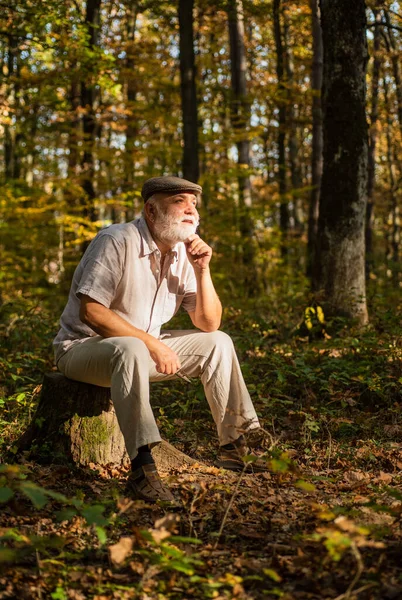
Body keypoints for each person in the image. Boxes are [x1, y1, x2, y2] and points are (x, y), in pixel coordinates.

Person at [53, 176, 267, 503]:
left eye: (194, 203)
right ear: (151, 210)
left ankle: (236, 447)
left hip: (139, 351)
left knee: (219, 343)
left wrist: (202, 269)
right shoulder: (117, 240)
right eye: (180, 201)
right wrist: (152, 344)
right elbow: (92, 313)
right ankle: (142, 468)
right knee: (133, 346)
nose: (191, 210)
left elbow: (209, 323)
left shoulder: (185, 253)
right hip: (83, 350)